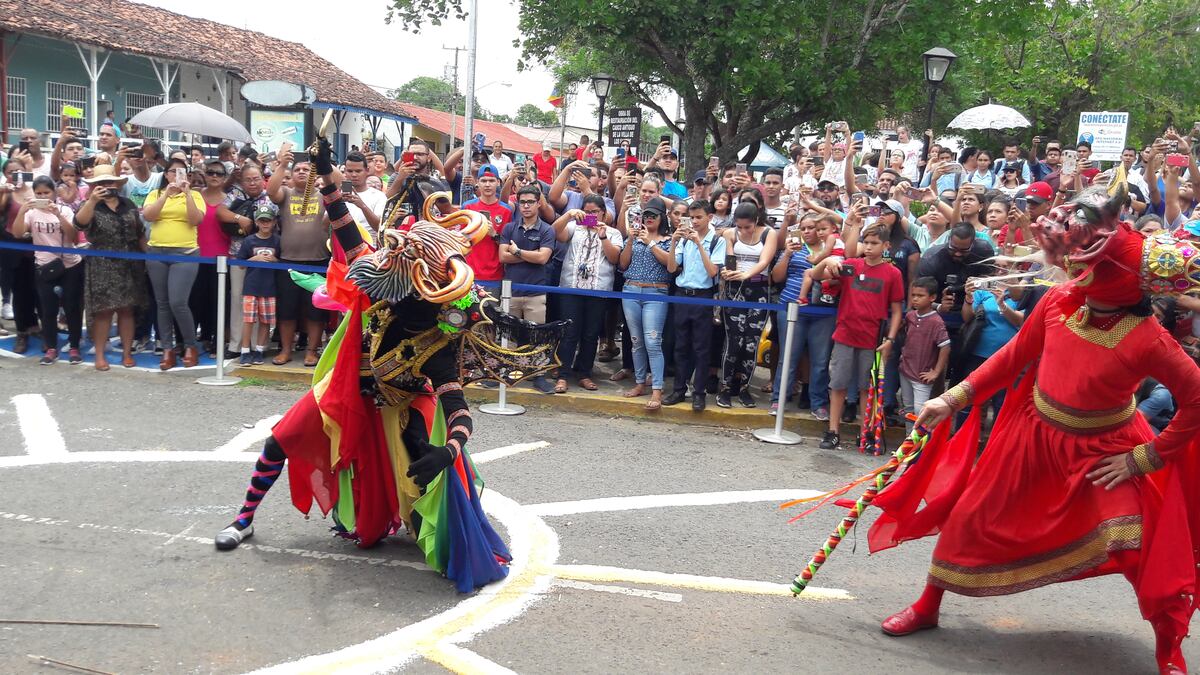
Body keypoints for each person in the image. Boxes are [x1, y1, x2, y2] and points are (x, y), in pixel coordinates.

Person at [868, 184, 1200, 675]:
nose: (1072, 269)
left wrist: (1144, 458)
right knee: (970, 520)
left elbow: (1195, 400)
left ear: (1120, 281)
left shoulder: (1151, 340)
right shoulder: (1059, 304)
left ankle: (1167, 646)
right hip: (1033, 436)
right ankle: (928, 605)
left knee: (1143, 544)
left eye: (1090, 267)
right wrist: (952, 397)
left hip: (1106, 450)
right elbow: (1012, 358)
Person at [212, 138, 565, 594]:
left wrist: (449, 450)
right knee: (281, 438)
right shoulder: (382, 281)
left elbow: (457, 408)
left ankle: (419, 516)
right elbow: (343, 225)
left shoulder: (440, 336)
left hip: (400, 407)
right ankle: (244, 519)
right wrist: (325, 173)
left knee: (423, 479)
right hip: (345, 389)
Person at [809, 223, 904, 451]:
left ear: (886, 245)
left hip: (872, 339)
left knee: (866, 388)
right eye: (866, 242)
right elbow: (815, 275)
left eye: (874, 243)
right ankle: (833, 431)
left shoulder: (893, 273)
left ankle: (867, 433)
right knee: (839, 384)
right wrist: (828, 261)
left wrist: (890, 340)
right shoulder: (851, 266)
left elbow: (897, 310)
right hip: (845, 334)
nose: (869, 248)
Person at [73, 164, 148, 371]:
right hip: (102, 264)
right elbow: (79, 224)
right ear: (94, 185)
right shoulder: (89, 204)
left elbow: (140, 232)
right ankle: (99, 355)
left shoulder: (128, 204)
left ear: (117, 183)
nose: (107, 185)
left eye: (110, 181)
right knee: (103, 312)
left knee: (127, 310)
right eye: (101, 182)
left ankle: (126, 353)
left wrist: (149, 256)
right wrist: (92, 200)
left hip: (130, 264)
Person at [551, 194, 623, 393]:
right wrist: (568, 216)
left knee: (590, 335)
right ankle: (563, 375)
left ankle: (584, 373)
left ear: (603, 212)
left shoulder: (613, 232)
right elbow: (555, 233)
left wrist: (603, 236)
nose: (591, 215)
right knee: (569, 333)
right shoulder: (574, 228)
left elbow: (614, 258)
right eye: (587, 211)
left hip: (598, 290)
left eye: (595, 212)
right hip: (571, 287)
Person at [769, 212, 836, 420]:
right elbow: (777, 277)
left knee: (821, 359)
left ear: (822, 228)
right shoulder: (794, 249)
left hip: (824, 310)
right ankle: (779, 399)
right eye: (803, 228)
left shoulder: (834, 248)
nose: (807, 232)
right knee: (788, 356)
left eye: (811, 227)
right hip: (791, 306)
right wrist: (787, 254)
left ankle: (819, 403)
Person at [266, 144, 328, 367]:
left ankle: (312, 351)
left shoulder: (323, 195)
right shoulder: (287, 194)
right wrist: (282, 164)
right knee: (287, 310)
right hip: (288, 262)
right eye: (297, 169)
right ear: (291, 174)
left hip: (319, 262)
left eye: (307, 168)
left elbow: (337, 181)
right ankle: (285, 350)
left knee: (315, 311)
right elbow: (271, 192)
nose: (302, 171)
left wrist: (322, 158)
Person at [12, 176, 83, 364]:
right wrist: (22, 211)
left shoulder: (65, 210)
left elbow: (74, 237)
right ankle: (51, 348)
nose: (43, 196)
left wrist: (57, 215)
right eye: (39, 193)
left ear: (54, 193)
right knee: (47, 309)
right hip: (44, 266)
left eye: (46, 193)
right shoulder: (32, 213)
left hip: (70, 265)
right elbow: (18, 233)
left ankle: (74, 346)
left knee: (72, 308)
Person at [142, 158, 205, 369]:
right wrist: (166, 195)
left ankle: (190, 346)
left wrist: (186, 193)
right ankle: (168, 348)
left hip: (185, 253)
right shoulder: (156, 194)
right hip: (156, 251)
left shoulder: (195, 195)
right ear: (166, 174)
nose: (176, 175)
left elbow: (196, 219)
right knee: (162, 303)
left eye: (181, 171)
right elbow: (149, 215)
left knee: (178, 301)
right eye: (172, 171)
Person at [664, 199, 726, 410]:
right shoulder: (684, 239)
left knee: (701, 347)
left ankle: (699, 392)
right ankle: (679, 389)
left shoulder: (717, 241)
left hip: (703, 295)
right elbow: (672, 268)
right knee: (681, 345)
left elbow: (712, 272)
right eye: (692, 217)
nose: (695, 221)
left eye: (699, 217)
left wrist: (699, 244)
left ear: (710, 217)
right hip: (682, 294)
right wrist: (674, 242)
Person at [717, 202, 777, 408]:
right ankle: (725, 387)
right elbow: (729, 260)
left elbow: (764, 261)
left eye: (747, 227)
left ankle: (744, 387)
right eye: (739, 227)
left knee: (752, 341)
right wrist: (728, 272)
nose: (743, 231)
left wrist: (746, 274)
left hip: (759, 289)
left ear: (756, 221)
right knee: (733, 339)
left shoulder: (768, 233)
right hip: (735, 289)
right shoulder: (730, 234)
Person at [498, 185, 557, 394]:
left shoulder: (547, 230)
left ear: (539, 203)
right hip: (511, 291)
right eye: (522, 202)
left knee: (537, 337)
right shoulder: (509, 228)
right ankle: (505, 372)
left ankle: (538, 376)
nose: (525, 206)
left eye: (530, 202)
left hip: (535, 291)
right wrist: (526, 254)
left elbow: (543, 258)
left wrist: (517, 251)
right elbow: (502, 257)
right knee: (508, 336)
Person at [619, 195, 673, 410]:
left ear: (662, 218)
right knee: (636, 341)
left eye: (653, 215)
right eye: (645, 215)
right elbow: (623, 264)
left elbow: (671, 265)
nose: (649, 218)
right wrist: (632, 239)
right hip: (630, 289)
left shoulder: (668, 240)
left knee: (653, 342)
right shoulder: (633, 236)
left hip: (656, 292)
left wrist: (650, 242)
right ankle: (640, 383)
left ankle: (657, 389)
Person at [899, 277, 950, 432]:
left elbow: (945, 346)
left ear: (932, 298)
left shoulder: (936, 321)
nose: (915, 299)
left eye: (920, 296)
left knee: (920, 411)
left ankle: (919, 446)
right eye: (913, 295)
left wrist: (936, 371)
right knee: (908, 408)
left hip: (922, 375)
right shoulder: (910, 316)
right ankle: (907, 443)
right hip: (906, 370)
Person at [235, 206, 281, 366]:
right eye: (262, 220)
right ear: (256, 222)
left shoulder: (277, 240)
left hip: (270, 287)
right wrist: (253, 259)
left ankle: (260, 349)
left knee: (266, 321)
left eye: (268, 220)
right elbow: (240, 264)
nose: (265, 223)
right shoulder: (249, 240)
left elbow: (284, 261)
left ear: (274, 222)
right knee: (248, 320)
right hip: (251, 286)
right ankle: (245, 350)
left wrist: (275, 261)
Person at [460, 164, 511, 283]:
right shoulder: (467, 207)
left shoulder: (506, 211)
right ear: (477, 182)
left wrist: (494, 234)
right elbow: (461, 240)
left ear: (498, 182)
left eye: (491, 181)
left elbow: (507, 245)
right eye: (484, 181)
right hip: (470, 273)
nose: (487, 185)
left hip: (495, 275)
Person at [341, 151, 386, 233]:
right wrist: (336, 203)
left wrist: (362, 206)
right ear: (345, 171)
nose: (354, 175)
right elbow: (324, 226)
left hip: (369, 244)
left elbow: (379, 228)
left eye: (358, 171)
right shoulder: (338, 195)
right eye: (350, 171)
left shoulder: (379, 196)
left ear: (367, 170)